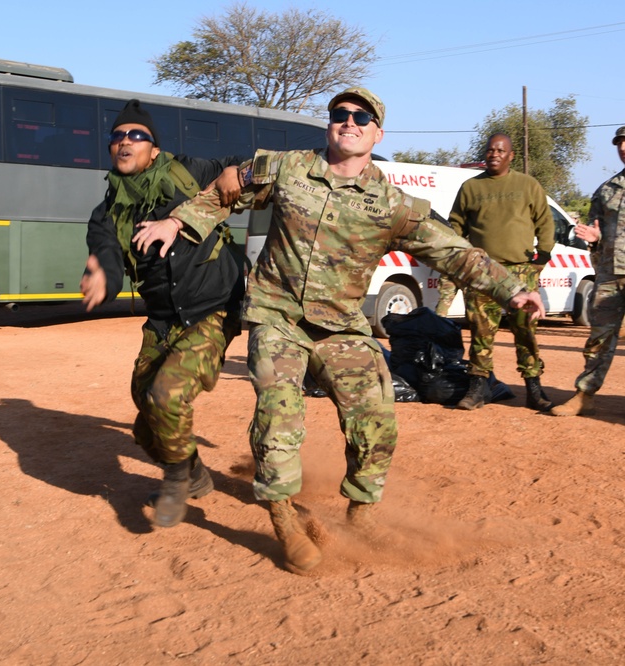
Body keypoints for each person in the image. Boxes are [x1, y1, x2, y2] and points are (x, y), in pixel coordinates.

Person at [166, 87, 545, 573]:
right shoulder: (286, 167)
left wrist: (512, 288)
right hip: (277, 315)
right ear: (330, 125)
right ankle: (283, 517)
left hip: (342, 326)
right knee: (279, 410)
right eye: (340, 114)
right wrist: (177, 224)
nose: (349, 121)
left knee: (375, 417)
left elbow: (452, 250)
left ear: (377, 133)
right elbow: (225, 190)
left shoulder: (393, 204)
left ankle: (362, 511)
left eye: (361, 117)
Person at [80, 99, 244, 529]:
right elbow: (107, 257)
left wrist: (233, 172)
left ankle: (177, 482)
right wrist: (100, 274)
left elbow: (245, 165)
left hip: (212, 307)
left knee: (166, 397)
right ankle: (195, 473)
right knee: (145, 418)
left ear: (154, 148)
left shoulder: (188, 172)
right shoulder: (106, 213)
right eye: (117, 136)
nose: (125, 142)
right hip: (162, 318)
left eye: (136, 135)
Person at [448, 133, 555, 411]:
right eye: (490, 150)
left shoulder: (528, 185)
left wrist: (540, 258)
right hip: (482, 271)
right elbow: (455, 226)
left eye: (500, 150)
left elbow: (545, 221)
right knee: (481, 331)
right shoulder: (470, 187)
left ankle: (534, 388)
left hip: (521, 271)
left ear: (511, 155)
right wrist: (462, 261)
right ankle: (478, 388)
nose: (494, 154)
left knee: (525, 330)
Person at [551, 125, 625, 417]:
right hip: (609, 276)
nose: (622, 148)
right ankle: (585, 395)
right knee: (599, 338)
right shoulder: (607, 190)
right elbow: (594, 231)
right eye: (619, 143)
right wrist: (594, 240)